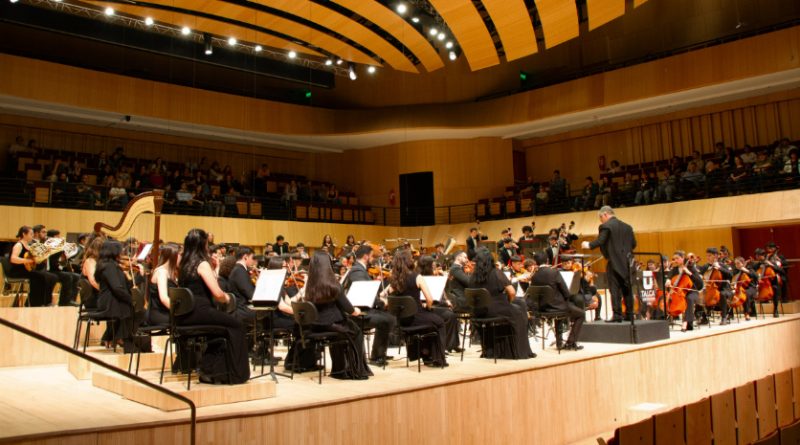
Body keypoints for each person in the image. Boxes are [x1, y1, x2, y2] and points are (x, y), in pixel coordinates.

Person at [177, 229, 249, 384]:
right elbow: (217, 294)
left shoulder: (183, 264)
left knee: (222, 329)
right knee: (237, 325)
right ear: (203, 244)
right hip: (200, 312)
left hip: (185, 315)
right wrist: (228, 297)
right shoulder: (202, 264)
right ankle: (234, 375)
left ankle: (210, 371)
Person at [301, 251, 372, 380]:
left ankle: (339, 369)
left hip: (316, 325)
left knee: (345, 330)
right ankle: (354, 370)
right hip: (333, 324)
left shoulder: (310, 285)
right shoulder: (333, 285)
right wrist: (356, 310)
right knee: (356, 332)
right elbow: (349, 309)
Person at [380, 249, 448, 367]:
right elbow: (430, 299)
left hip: (401, 320)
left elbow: (382, 295)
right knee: (439, 322)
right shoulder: (417, 277)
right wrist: (428, 307)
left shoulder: (393, 279)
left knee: (430, 321)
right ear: (409, 261)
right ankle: (437, 359)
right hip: (416, 316)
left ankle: (425, 354)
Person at [468, 248, 535, 359]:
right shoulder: (496, 272)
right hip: (496, 310)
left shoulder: (473, 276)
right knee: (519, 312)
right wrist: (508, 302)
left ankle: (492, 350)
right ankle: (518, 351)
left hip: (479, 312)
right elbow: (512, 292)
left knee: (517, 305)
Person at [342, 244, 396, 366]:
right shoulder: (357, 271)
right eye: (372, 256)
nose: (373, 259)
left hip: (363, 309)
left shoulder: (359, 270)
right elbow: (364, 294)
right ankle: (377, 356)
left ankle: (379, 352)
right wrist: (381, 302)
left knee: (388, 316)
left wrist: (381, 297)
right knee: (387, 320)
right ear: (366, 256)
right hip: (358, 313)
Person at [582, 206, 637, 322]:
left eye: (600, 218)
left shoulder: (606, 226)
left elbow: (601, 240)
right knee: (627, 288)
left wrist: (588, 245)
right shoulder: (628, 227)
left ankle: (617, 315)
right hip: (628, 262)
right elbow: (633, 244)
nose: (601, 221)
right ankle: (630, 314)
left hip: (614, 262)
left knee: (614, 289)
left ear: (605, 214)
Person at [531, 252, 584, 350]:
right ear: (547, 260)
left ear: (536, 262)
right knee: (581, 314)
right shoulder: (554, 272)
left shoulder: (534, 276)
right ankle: (570, 342)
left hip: (543, 308)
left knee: (559, 312)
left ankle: (559, 343)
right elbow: (565, 292)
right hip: (557, 307)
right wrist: (567, 298)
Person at [94, 240, 135, 351]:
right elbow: (117, 288)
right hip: (109, 302)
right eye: (120, 251)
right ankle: (125, 341)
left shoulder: (111, 265)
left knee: (134, 309)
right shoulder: (108, 267)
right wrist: (131, 299)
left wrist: (134, 276)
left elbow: (126, 286)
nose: (121, 253)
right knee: (133, 310)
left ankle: (116, 338)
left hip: (113, 300)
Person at [416, 255, 462, 353]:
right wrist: (444, 303)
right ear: (427, 266)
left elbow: (441, 292)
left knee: (451, 313)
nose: (434, 268)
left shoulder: (433, 277)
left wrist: (446, 301)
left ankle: (452, 344)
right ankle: (445, 345)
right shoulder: (419, 278)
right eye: (432, 266)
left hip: (435, 304)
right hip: (425, 306)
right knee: (449, 315)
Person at [7, 226, 54, 307]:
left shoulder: (29, 246)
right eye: (31, 234)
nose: (33, 236)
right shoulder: (19, 245)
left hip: (26, 270)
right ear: (24, 234)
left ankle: (42, 302)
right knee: (39, 276)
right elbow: (13, 259)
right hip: (17, 271)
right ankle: (35, 303)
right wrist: (28, 261)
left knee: (46, 276)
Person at [665, 251, 704, 331]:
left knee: (688, 299)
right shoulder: (674, 269)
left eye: (677, 258)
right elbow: (669, 276)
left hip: (692, 292)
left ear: (683, 258)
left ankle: (686, 322)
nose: (675, 260)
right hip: (679, 292)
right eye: (674, 259)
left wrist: (689, 273)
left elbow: (700, 284)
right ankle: (666, 319)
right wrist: (668, 280)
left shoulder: (691, 268)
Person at [696, 248, 733, 326]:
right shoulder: (706, 266)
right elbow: (699, 274)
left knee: (722, 294)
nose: (707, 257)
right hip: (710, 289)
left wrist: (719, 268)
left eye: (709, 256)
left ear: (715, 256)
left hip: (724, 288)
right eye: (707, 256)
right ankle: (704, 318)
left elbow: (730, 275)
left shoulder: (722, 265)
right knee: (698, 295)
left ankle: (724, 318)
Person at [146, 243, 179, 326]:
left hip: (165, 312)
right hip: (160, 314)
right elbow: (164, 298)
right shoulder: (162, 272)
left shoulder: (169, 272)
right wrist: (180, 311)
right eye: (181, 255)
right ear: (174, 256)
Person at [45, 229, 80, 306]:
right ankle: (64, 302)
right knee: (67, 276)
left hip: (57, 270)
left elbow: (62, 263)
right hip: (51, 270)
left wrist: (66, 256)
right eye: (58, 236)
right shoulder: (50, 247)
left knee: (76, 276)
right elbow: (53, 264)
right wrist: (61, 260)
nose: (59, 238)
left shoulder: (59, 248)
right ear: (53, 237)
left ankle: (71, 300)